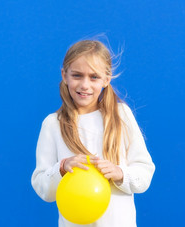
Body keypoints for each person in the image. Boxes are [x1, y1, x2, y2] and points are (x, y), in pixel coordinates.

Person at [31, 39, 155, 227]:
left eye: (94, 77)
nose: (85, 85)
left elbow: (144, 172)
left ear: (107, 79)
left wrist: (120, 173)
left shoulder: (122, 115)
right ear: (64, 75)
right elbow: (42, 187)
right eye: (77, 75)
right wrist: (62, 168)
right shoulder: (52, 124)